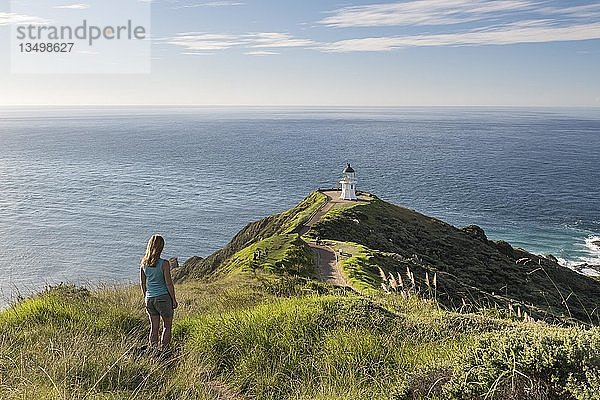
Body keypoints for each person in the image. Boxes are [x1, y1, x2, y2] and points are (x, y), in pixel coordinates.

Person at [140, 234, 178, 350]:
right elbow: (168, 283)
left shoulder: (143, 263)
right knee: (167, 326)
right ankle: (164, 352)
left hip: (149, 299)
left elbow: (142, 283)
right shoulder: (164, 263)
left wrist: (145, 297)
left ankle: (153, 351)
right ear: (161, 247)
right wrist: (174, 300)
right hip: (163, 298)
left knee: (154, 327)